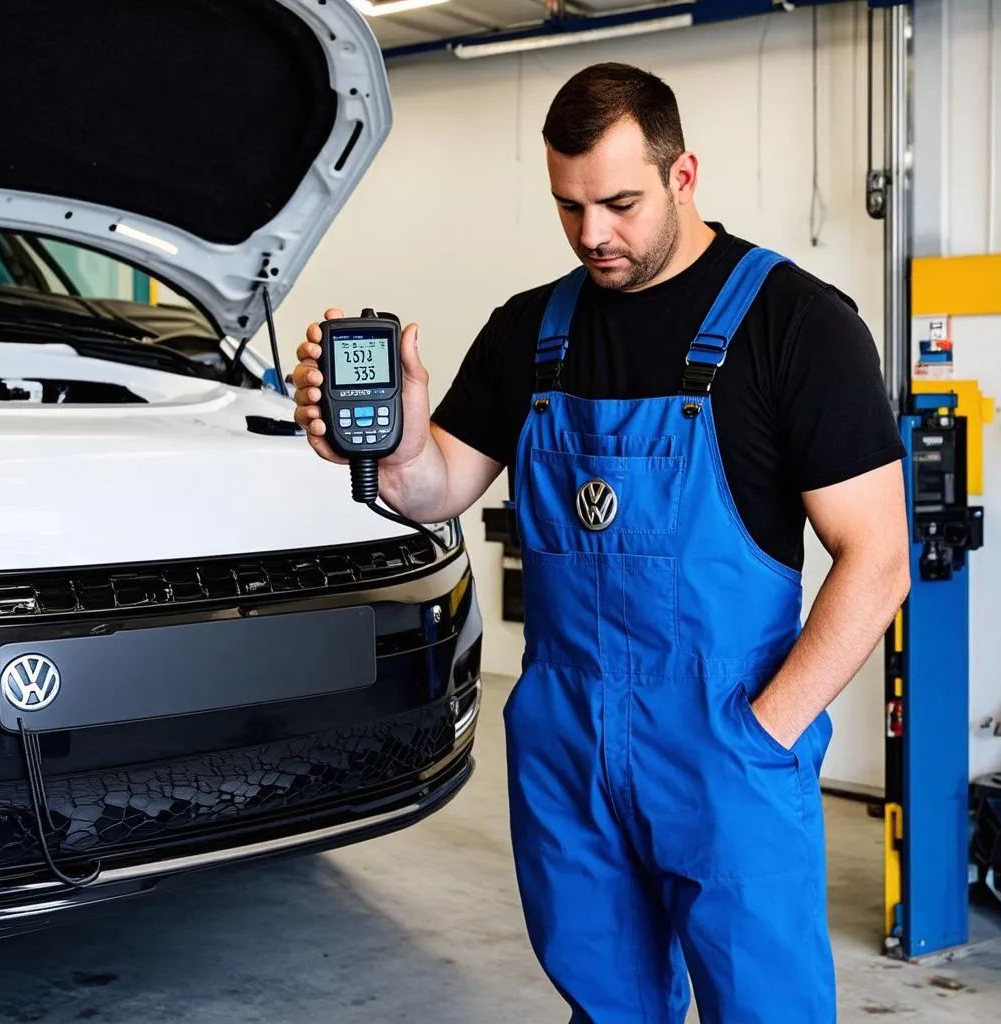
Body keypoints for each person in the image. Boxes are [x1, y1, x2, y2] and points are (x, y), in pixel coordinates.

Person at [292, 62, 910, 1024]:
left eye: (618, 203)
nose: (593, 235)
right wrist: (390, 441)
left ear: (682, 174)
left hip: (727, 737)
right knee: (606, 1006)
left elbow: (879, 558)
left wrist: (762, 735)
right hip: (569, 739)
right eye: (568, 206)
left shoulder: (797, 324)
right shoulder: (529, 331)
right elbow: (434, 489)